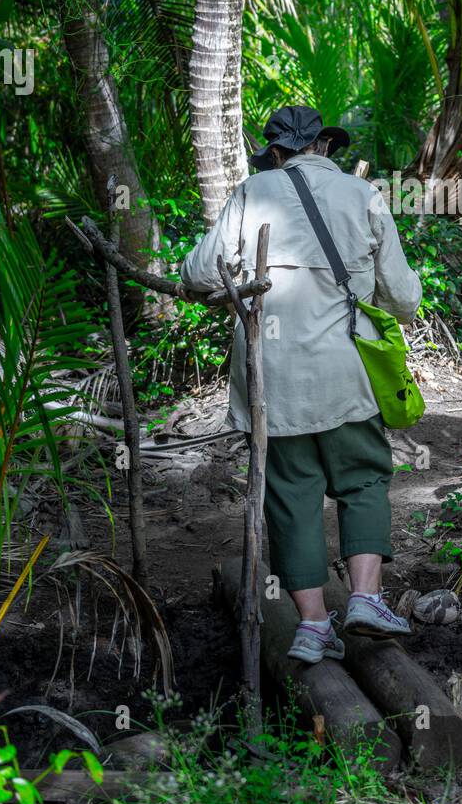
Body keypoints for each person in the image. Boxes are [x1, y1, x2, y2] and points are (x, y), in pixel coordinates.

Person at [179, 105, 423, 664]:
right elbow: (404, 298)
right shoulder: (362, 196)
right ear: (325, 148)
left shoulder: (252, 191)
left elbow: (196, 274)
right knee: (362, 482)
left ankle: (313, 626)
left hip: (274, 380)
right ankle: (365, 598)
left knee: (290, 499)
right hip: (347, 375)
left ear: (277, 152)